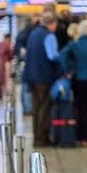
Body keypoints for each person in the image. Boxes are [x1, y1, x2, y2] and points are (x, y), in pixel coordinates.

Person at [22, 12, 61, 145]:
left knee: (36, 108)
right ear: (52, 23)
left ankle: (36, 136)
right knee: (45, 108)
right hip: (44, 76)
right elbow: (52, 56)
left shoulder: (33, 34)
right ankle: (42, 138)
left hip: (31, 75)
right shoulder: (49, 36)